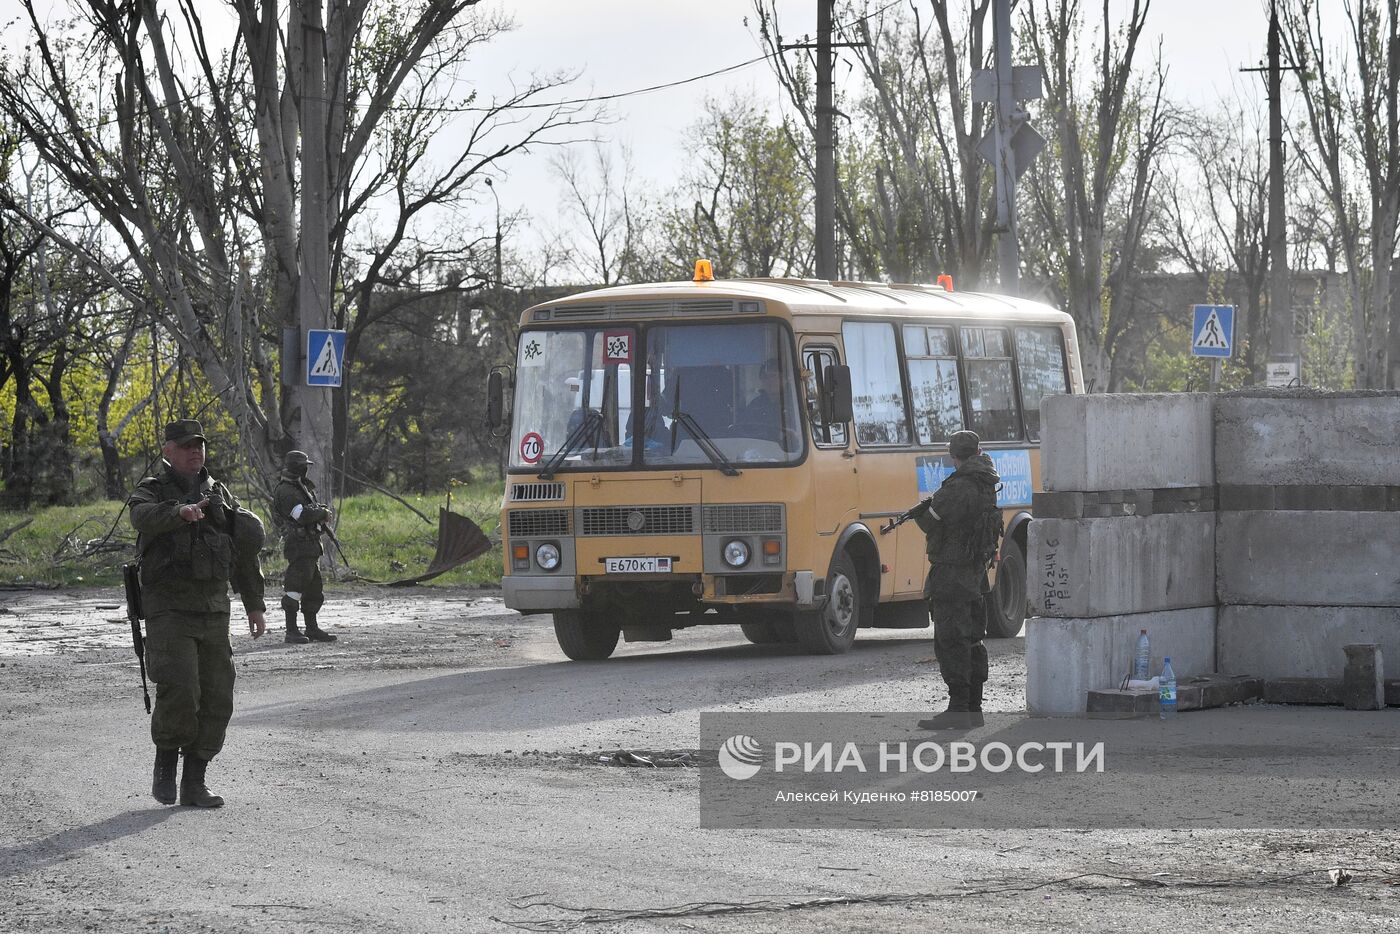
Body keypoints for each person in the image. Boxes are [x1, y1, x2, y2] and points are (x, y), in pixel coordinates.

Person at [129, 419, 267, 808]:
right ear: (168, 451)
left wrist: (254, 605)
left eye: (200, 445)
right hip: (169, 610)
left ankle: (195, 780)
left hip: (213, 610)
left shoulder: (219, 494)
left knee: (218, 695)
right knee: (181, 689)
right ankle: (165, 769)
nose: (195, 451)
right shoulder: (151, 490)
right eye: (187, 445)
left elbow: (243, 551)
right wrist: (180, 513)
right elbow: (141, 518)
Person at [912, 430, 1002, 730]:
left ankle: (958, 707)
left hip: (952, 573)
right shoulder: (986, 480)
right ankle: (973, 707)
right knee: (973, 639)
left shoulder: (958, 486)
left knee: (951, 640)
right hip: (975, 574)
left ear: (954, 455)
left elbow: (929, 521)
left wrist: (924, 509)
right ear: (978, 451)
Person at [272, 450, 336, 644]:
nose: (304, 469)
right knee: (295, 588)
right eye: (302, 466)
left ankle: (312, 628)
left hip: (310, 545)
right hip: (298, 545)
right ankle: (291, 630)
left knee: (314, 589)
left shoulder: (301, 487)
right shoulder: (286, 490)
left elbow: (310, 511)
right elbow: (301, 515)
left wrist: (319, 512)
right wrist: (321, 512)